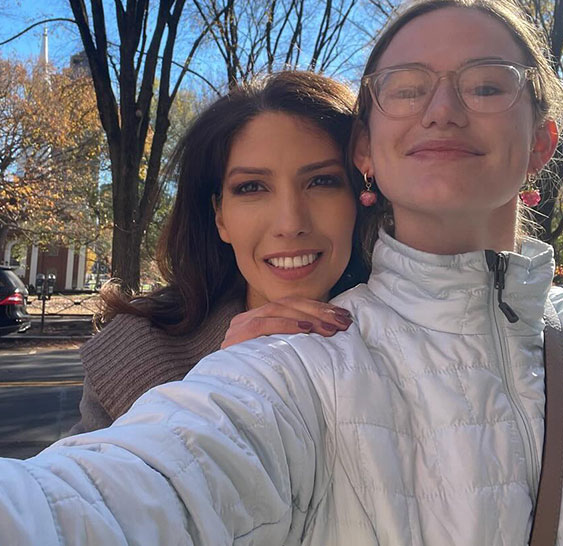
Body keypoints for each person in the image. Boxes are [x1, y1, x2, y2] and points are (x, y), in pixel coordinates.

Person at [2, 0, 563, 545]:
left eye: (488, 84)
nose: (444, 109)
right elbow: (91, 500)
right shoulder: (283, 373)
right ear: (372, 152)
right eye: (407, 86)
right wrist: (228, 365)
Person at [70, 70, 367, 432]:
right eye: (252, 187)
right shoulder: (135, 356)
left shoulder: (421, 337)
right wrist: (219, 384)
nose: (290, 223)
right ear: (220, 216)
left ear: (360, 197)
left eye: (321, 181)